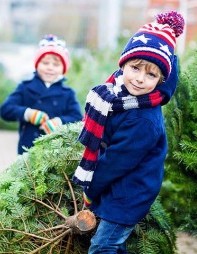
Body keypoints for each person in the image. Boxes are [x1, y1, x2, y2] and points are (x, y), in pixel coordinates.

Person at [72, 11, 185, 253]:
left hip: (129, 194)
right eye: (135, 68)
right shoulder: (116, 94)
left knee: (104, 245)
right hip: (118, 186)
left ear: (161, 80)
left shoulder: (143, 120)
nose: (140, 79)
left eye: (152, 74)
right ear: (123, 63)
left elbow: (115, 162)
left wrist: (90, 192)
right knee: (113, 245)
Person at [0, 34, 83, 154]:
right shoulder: (25, 87)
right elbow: (5, 110)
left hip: (57, 154)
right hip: (28, 151)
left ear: (63, 69)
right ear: (37, 64)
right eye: (45, 63)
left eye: (56, 65)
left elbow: (77, 118)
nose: (50, 68)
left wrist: (59, 122)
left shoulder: (68, 93)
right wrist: (28, 114)